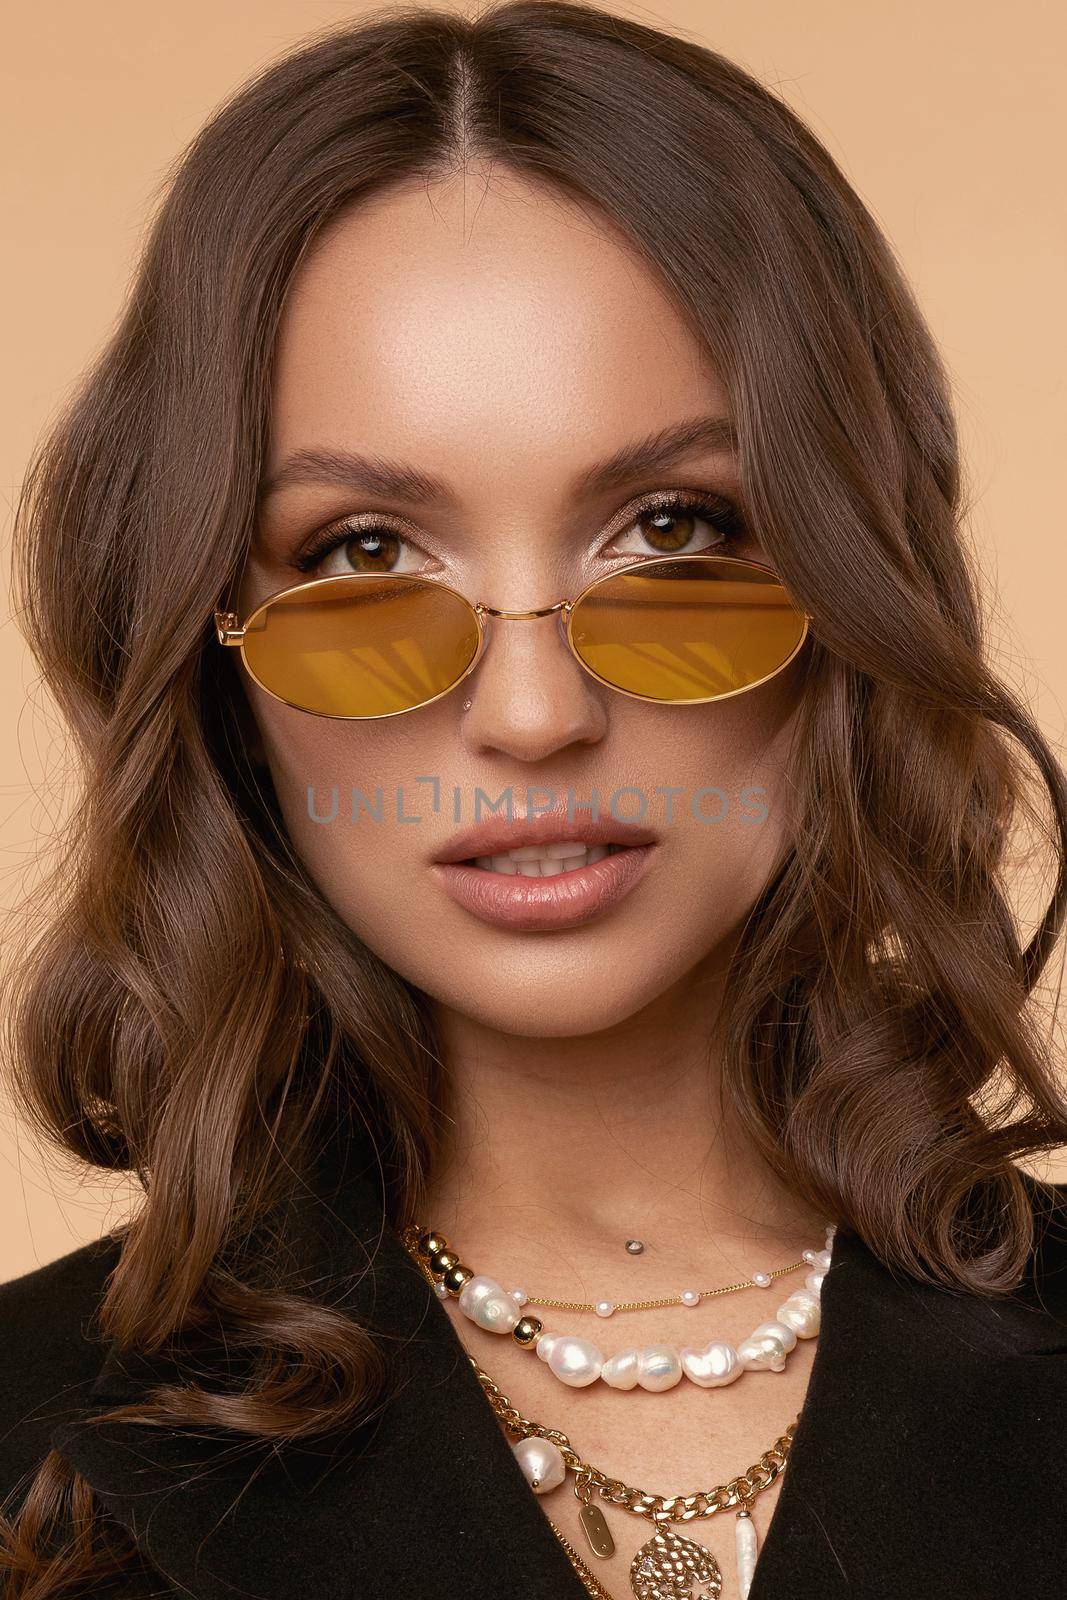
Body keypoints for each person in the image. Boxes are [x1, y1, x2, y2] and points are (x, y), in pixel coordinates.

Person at [2, 3, 1066, 1596]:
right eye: (363, 552)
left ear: (851, 587)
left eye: (673, 530)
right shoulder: (34, 1448)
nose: (533, 713)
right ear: (213, 653)